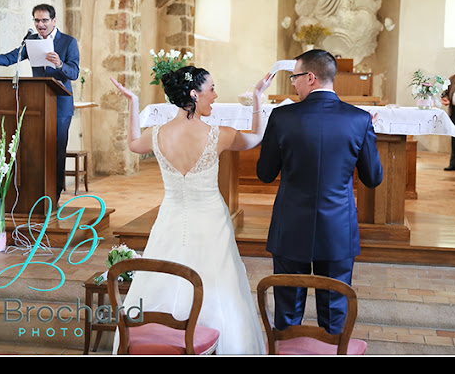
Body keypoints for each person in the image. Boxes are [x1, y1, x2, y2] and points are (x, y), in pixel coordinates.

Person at [110, 66, 270, 354]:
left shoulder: (156, 134)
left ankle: (165, 339)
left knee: (165, 275)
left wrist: (133, 102)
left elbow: (133, 143)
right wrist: (258, 96)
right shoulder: (219, 134)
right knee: (218, 281)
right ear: (195, 95)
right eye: (212, 89)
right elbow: (256, 136)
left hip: (170, 219)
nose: (215, 95)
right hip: (212, 221)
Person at [256, 49, 383, 335]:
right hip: (338, 226)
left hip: (291, 223)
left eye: (295, 77)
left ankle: (286, 349)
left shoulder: (282, 117)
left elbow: (265, 174)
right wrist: (367, 133)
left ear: (310, 77)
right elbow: (373, 178)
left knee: (287, 309)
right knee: (335, 309)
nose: (293, 83)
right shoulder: (359, 120)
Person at [0, 4, 80, 204]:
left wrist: (60, 64)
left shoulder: (68, 42)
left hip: (60, 105)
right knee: (34, 149)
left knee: (56, 151)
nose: (40, 24)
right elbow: (9, 58)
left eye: (44, 20)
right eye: (37, 20)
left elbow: (74, 73)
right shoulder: (30, 42)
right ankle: (34, 194)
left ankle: (55, 194)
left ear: (54, 20)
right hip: (37, 104)